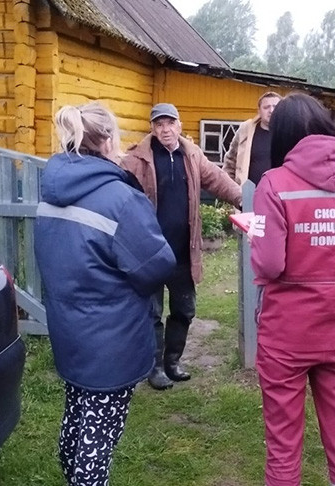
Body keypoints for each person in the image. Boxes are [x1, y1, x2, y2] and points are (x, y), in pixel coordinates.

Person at [34, 102, 176, 485]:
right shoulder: (120, 199)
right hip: (111, 340)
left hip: (70, 330)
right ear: (108, 139)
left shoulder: (50, 190)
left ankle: (73, 471)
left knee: (78, 414)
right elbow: (157, 265)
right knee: (98, 440)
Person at [250, 93, 335, 486]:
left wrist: (257, 239)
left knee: (283, 442)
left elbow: (271, 263)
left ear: (284, 135)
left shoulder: (274, 183)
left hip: (286, 334)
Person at [121, 102, 242, 390]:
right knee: (151, 313)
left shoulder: (192, 154)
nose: (165, 129)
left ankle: (172, 362)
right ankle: (153, 367)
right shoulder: (136, 159)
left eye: (169, 123)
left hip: (183, 250)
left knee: (184, 310)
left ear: (179, 125)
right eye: (159, 124)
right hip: (149, 252)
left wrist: (243, 198)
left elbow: (217, 179)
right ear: (152, 128)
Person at [223, 91, 282, 185]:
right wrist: (232, 189)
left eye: (275, 107)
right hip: (249, 193)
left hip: (280, 194)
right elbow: (230, 161)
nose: (271, 110)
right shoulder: (246, 130)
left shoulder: (289, 131)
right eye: (266, 107)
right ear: (259, 111)